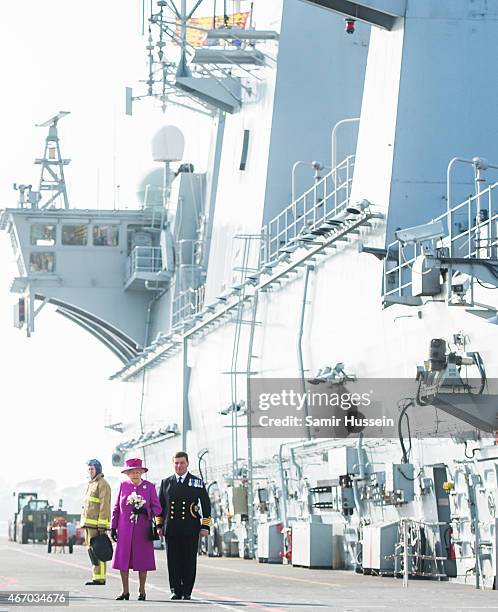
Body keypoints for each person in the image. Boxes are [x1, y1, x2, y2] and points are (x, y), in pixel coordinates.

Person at [157, 451, 211, 600]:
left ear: (187, 464)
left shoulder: (196, 482)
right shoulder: (166, 482)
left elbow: (206, 505)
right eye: (176, 463)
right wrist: (159, 525)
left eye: (181, 463)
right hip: (171, 528)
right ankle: (175, 589)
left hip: (190, 528)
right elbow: (159, 506)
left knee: (189, 560)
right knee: (173, 560)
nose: (179, 466)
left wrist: (205, 526)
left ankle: (187, 591)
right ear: (173, 464)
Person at [111, 458, 162, 601]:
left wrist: (146, 511)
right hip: (124, 529)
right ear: (127, 473)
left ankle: (142, 590)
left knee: (142, 560)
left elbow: (158, 508)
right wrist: (113, 527)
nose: (135, 474)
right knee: (123, 560)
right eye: (132, 472)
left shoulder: (150, 487)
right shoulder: (123, 486)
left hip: (142, 529)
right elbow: (116, 508)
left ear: (142, 473)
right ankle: (125, 591)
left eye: (138, 472)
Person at [81, 459, 111, 585]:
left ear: (98, 469)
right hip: (88, 525)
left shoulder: (102, 484)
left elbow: (105, 505)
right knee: (92, 551)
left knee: (99, 550)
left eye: (92, 469)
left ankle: (100, 578)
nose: (90, 471)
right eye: (88, 469)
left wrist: (102, 525)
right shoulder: (91, 484)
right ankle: (96, 576)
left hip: (97, 526)